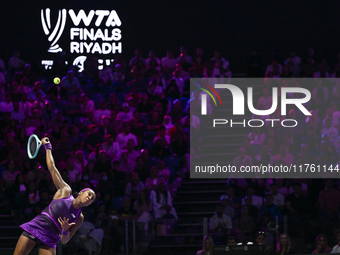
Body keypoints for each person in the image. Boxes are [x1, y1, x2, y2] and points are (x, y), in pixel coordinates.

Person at [13, 137, 96, 255]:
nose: (89, 198)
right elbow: (52, 168)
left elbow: (64, 240)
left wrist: (66, 230)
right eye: (89, 194)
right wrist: (48, 148)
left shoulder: (79, 218)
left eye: (92, 199)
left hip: (52, 236)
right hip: (38, 226)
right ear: (81, 192)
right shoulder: (65, 191)